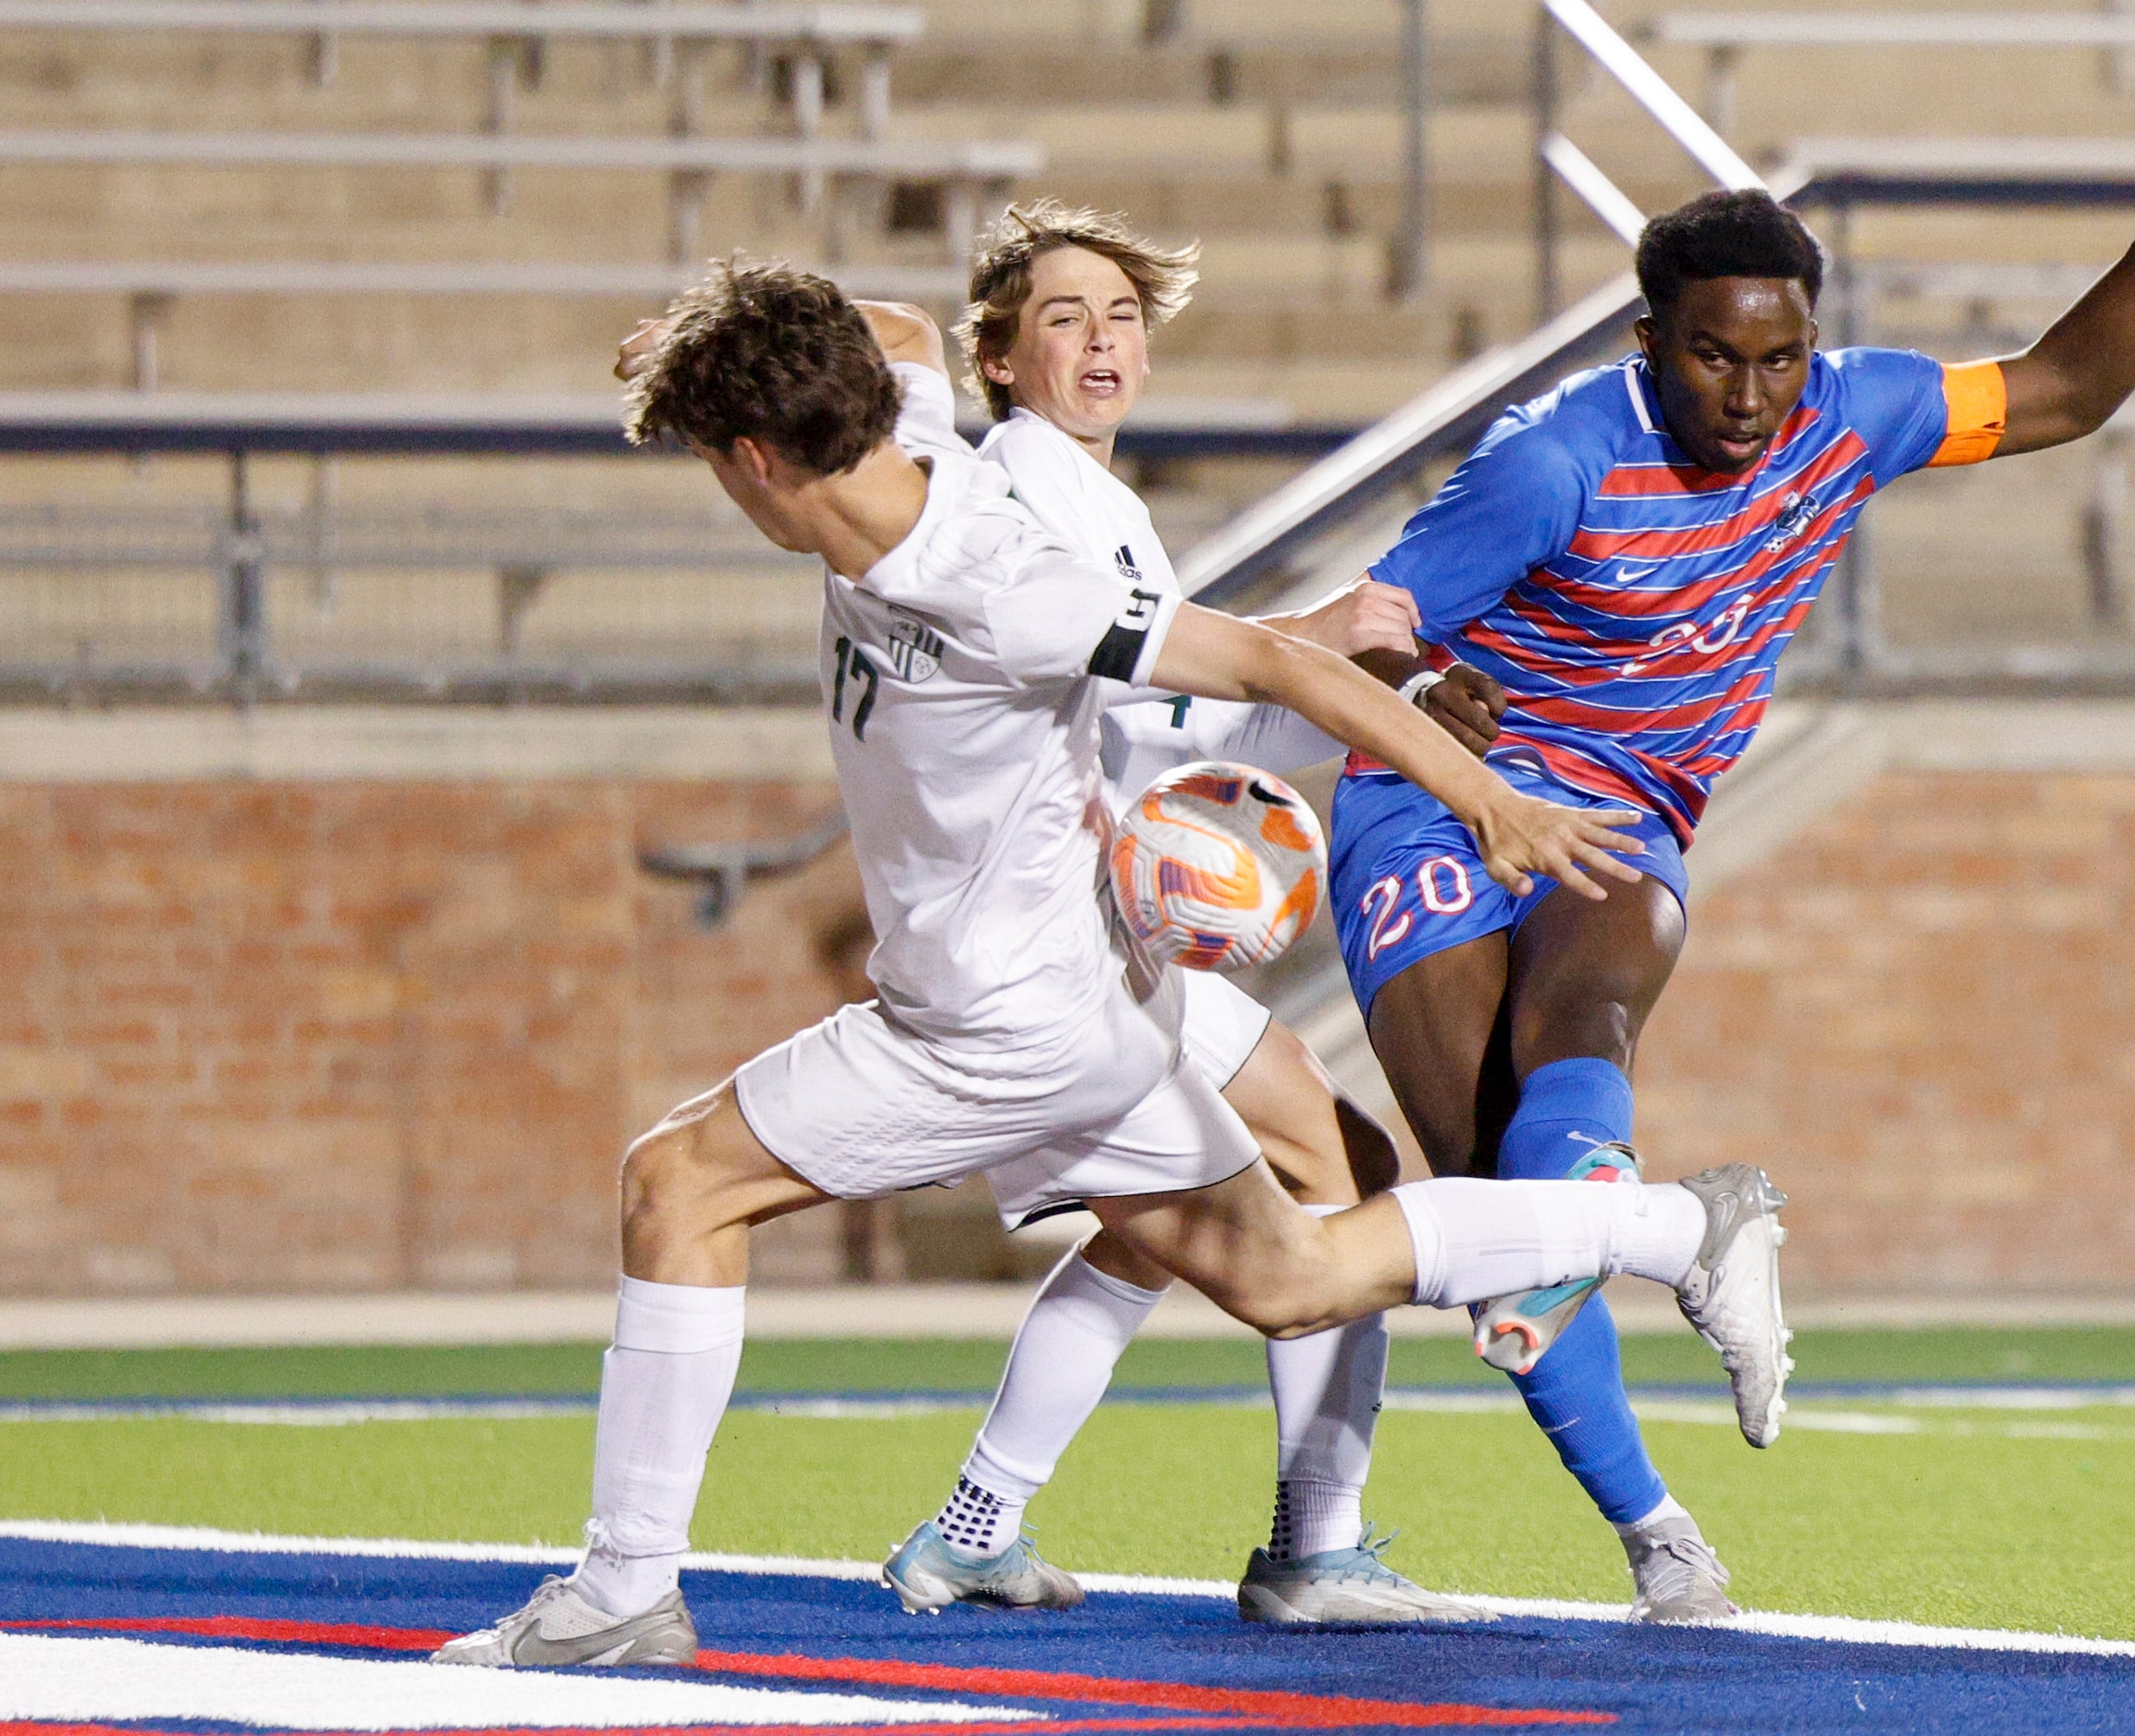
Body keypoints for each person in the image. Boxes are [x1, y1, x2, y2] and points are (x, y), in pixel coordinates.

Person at [430, 258, 1791, 1669]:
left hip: (984, 1034)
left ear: (765, 462)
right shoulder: (895, 420)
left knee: (679, 1181)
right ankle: (1686, 1231)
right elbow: (892, 325)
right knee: (1299, 1275)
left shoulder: (997, 580)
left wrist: (1490, 797)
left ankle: (625, 1591)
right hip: (1093, 1011)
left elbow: (1270, 667)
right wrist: (700, 332)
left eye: (721, 463)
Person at [1338, 110, 2135, 1622]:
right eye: (1717, 357)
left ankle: (1678, 1340)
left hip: (1624, 803)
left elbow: (2068, 387)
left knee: (1585, 1042)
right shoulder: (1555, 461)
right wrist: (1414, 698)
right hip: (1434, 800)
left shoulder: (1856, 412)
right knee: (1491, 1203)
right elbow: (1369, 622)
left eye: (1781, 359)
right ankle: (1654, 1517)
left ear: (1815, 344)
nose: (1753, 395)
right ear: (1652, 340)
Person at [857, 202, 1476, 1624]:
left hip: (1081, 937)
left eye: (1122, 318)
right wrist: (1322, 647)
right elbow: (1161, 694)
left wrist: (1340, 698)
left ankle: (973, 1526)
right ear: (999, 358)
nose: (1101, 342)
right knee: (1336, 1154)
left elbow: (1183, 727)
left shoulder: (1089, 497)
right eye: (1063, 318)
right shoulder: (1026, 488)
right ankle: (1315, 1546)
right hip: (1055, 946)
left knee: (1156, 1230)